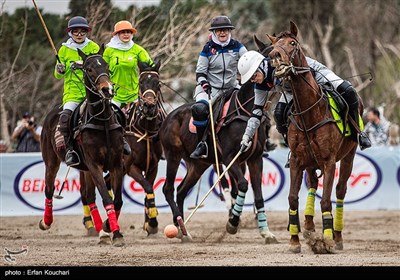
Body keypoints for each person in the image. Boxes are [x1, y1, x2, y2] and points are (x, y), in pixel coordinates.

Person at [273, 56, 371, 151]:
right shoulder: (268, 65)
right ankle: (290, 145)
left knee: (348, 90)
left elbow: (308, 80)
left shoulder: (294, 55)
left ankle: (358, 132)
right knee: (278, 113)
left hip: (319, 75)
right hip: (291, 89)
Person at [190, 15, 248, 159]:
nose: (222, 33)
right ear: (214, 33)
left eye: (225, 30)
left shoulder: (237, 46)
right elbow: (200, 71)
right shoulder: (207, 49)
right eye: (219, 30)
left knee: (252, 102)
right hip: (210, 89)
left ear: (229, 31)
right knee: (199, 109)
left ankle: (263, 141)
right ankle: (202, 144)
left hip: (231, 88)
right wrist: (204, 83)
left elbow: (248, 60)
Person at [103, 20, 156, 155]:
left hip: (134, 95)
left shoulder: (138, 50)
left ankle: (158, 146)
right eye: (123, 32)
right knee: (110, 120)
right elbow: (102, 71)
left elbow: (150, 67)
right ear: (117, 35)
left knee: (155, 115)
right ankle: (112, 147)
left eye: (128, 32)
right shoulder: (109, 51)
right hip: (115, 95)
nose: (126, 34)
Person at [54, 16, 100, 166]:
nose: (79, 35)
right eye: (76, 32)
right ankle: (70, 150)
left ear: (87, 32)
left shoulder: (93, 47)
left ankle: (120, 142)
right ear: (70, 33)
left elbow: (99, 66)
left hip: (92, 93)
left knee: (112, 112)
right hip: (73, 93)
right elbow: (57, 74)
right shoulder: (64, 50)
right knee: (65, 118)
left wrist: (82, 65)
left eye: (82, 32)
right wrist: (60, 69)